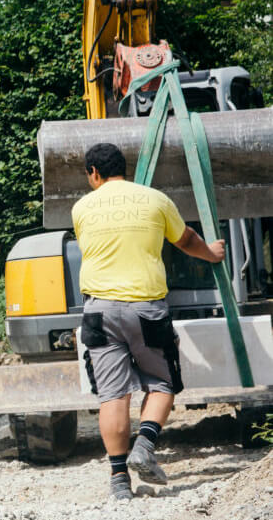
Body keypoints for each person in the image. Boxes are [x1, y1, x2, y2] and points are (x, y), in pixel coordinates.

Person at [72, 143, 225, 500]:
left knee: (112, 395)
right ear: (122, 168)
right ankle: (145, 446)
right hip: (145, 307)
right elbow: (185, 239)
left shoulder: (82, 208)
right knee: (161, 383)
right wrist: (212, 254)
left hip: (98, 311)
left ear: (93, 172)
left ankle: (119, 481)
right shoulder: (155, 199)